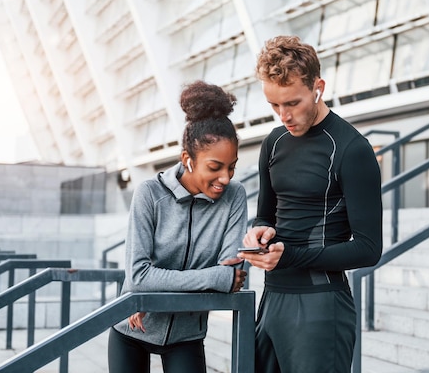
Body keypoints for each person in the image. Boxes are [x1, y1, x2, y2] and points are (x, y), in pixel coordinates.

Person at [239, 35, 383, 373]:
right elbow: (266, 214)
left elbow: (368, 248)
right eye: (274, 105)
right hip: (272, 299)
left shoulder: (352, 149)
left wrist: (290, 255)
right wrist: (258, 232)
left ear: (318, 87)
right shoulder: (273, 143)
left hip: (321, 307)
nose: (283, 115)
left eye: (293, 103)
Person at [108, 80, 248, 373]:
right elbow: (138, 277)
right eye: (214, 167)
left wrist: (157, 288)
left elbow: (232, 273)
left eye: (231, 167)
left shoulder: (235, 197)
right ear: (188, 159)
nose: (225, 177)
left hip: (187, 334)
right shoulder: (149, 194)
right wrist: (214, 277)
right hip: (131, 328)